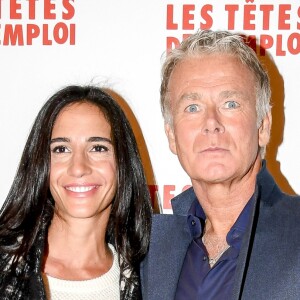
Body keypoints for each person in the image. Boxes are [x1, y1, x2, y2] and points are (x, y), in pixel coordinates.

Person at [141, 30, 300, 299]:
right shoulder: (148, 251)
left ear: (263, 126)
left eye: (230, 103)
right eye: (192, 107)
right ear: (171, 135)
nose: (211, 123)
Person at [0, 85, 152, 299]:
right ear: (40, 163)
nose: (79, 167)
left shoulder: (152, 281)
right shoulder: (5, 270)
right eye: (61, 149)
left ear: (123, 164)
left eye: (98, 148)